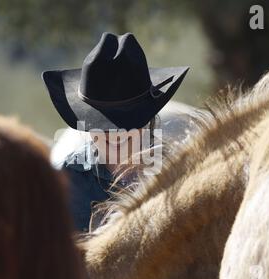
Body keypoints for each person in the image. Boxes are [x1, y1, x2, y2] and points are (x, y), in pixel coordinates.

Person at [42, 32, 190, 232]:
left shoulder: (178, 173)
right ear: (86, 124)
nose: (115, 133)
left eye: (128, 121)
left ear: (147, 119)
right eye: (101, 123)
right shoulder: (65, 184)